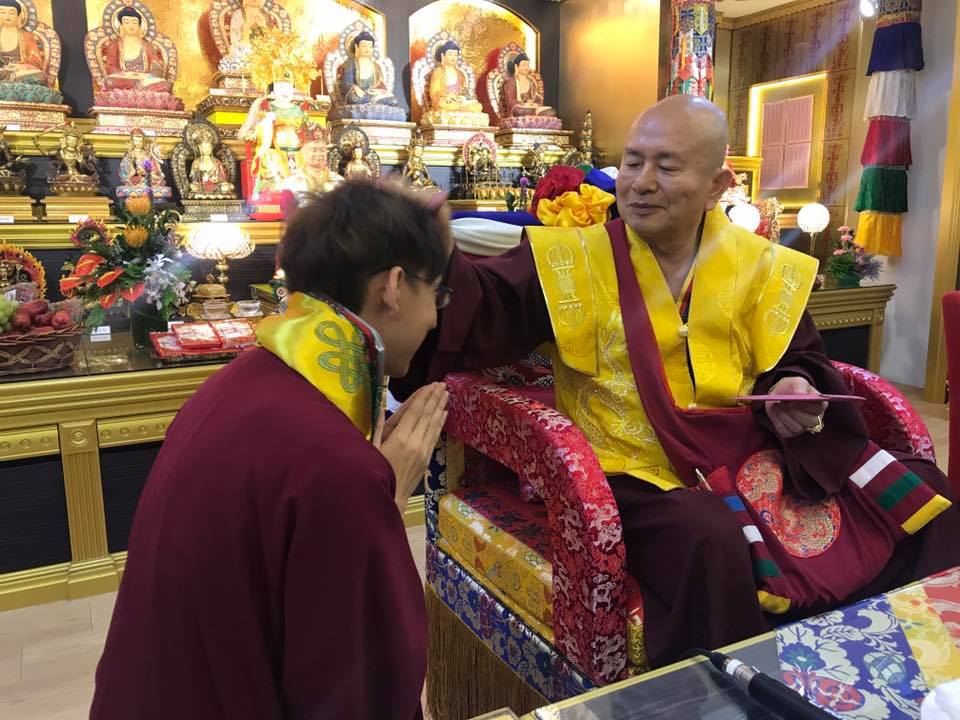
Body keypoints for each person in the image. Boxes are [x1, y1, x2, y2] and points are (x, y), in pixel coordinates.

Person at [395, 95, 960, 669]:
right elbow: (479, 311)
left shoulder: (759, 265)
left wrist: (793, 386)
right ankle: (738, 694)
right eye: (632, 162)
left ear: (718, 185)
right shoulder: (572, 260)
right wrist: (432, 251)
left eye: (666, 166)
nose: (640, 183)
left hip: (748, 453)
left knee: (924, 492)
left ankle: (903, 668)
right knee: (707, 536)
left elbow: (799, 356)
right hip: (630, 470)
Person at [91, 181, 452, 719]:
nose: (435, 319)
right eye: (437, 293)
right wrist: (379, 503)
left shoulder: (237, 383)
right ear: (395, 287)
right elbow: (363, 693)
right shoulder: (339, 469)